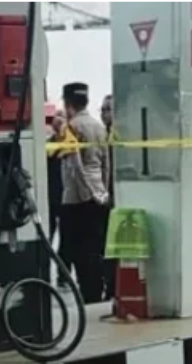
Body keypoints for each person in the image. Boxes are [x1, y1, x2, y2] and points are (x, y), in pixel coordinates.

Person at [59, 82, 111, 304]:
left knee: (80, 251)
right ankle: (98, 290)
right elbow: (106, 163)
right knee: (97, 248)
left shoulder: (70, 128)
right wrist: (103, 191)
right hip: (99, 194)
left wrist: (86, 194)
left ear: (68, 103)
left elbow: (74, 165)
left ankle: (89, 295)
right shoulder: (99, 127)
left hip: (77, 199)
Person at [45, 106, 71, 286]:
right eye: (56, 117)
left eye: (62, 117)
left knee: (67, 238)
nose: (58, 120)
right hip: (50, 197)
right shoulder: (48, 143)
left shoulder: (72, 143)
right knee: (48, 236)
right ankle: (44, 271)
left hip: (68, 197)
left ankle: (64, 274)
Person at [100, 93, 118, 302]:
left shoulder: (118, 136)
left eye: (108, 109)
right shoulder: (101, 135)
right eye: (103, 109)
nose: (104, 114)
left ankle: (113, 286)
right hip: (104, 198)